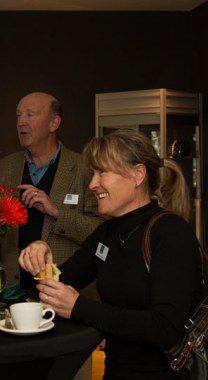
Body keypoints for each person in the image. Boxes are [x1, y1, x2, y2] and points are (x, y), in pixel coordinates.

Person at [19, 128, 203, 379]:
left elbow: (164, 328)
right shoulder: (108, 233)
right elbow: (59, 284)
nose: (93, 184)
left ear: (138, 174)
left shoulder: (170, 233)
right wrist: (43, 257)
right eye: (93, 173)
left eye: (102, 172)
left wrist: (79, 307)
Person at [0, 91, 104, 288]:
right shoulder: (5, 167)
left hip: (65, 288)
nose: (21, 122)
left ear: (54, 123)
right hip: (12, 290)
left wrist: (57, 212)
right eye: (18, 115)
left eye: (30, 114)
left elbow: (102, 232)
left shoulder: (84, 168)